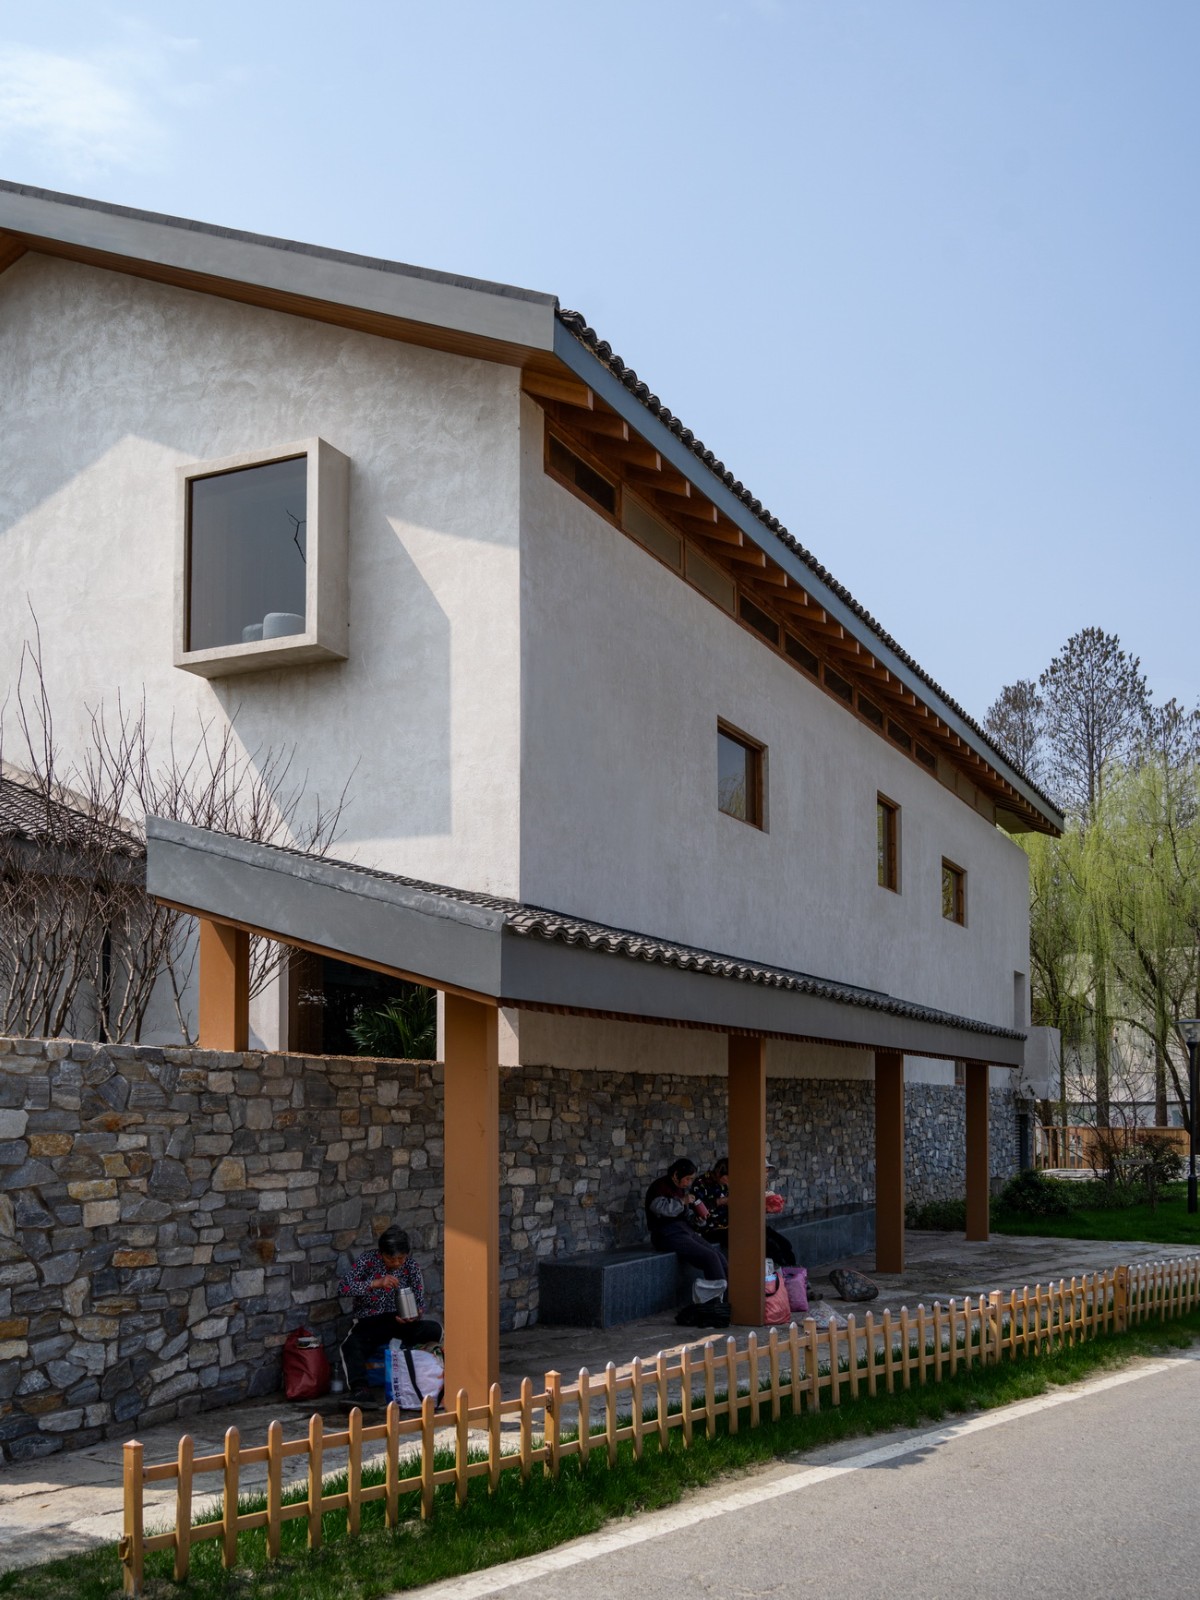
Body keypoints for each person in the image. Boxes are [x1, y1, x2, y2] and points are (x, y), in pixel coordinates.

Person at [337, 1225, 442, 1401]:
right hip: (370, 1322)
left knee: (435, 1329)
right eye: (391, 1258)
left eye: (401, 1258)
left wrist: (415, 1315)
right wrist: (375, 1283)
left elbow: (419, 1300)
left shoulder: (411, 1266)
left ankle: (433, 1376)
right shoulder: (368, 1260)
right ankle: (360, 1390)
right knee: (351, 1345)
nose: (396, 1263)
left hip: (400, 1322)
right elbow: (343, 1288)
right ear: (381, 1253)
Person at [695, 1155, 796, 1267]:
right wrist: (722, 1201)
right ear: (720, 1174)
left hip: (738, 1223)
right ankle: (781, 1272)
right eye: (729, 1177)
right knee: (769, 1246)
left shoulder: (732, 1183)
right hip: (715, 1228)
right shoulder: (701, 1183)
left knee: (784, 1244)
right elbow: (697, 1207)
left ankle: (793, 1271)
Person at [645, 1157, 728, 1281]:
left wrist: (698, 1219)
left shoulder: (680, 1189)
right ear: (676, 1175)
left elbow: (686, 1215)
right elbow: (660, 1209)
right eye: (687, 1179)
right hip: (666, 1234)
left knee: (718, 1256)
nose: (689, 1183)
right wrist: (682, 1201)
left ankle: (733, 1290)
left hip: (685, 1230)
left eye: (691, 1179)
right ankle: (719, 1291)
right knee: (709, 1257)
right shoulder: (659, 1186)